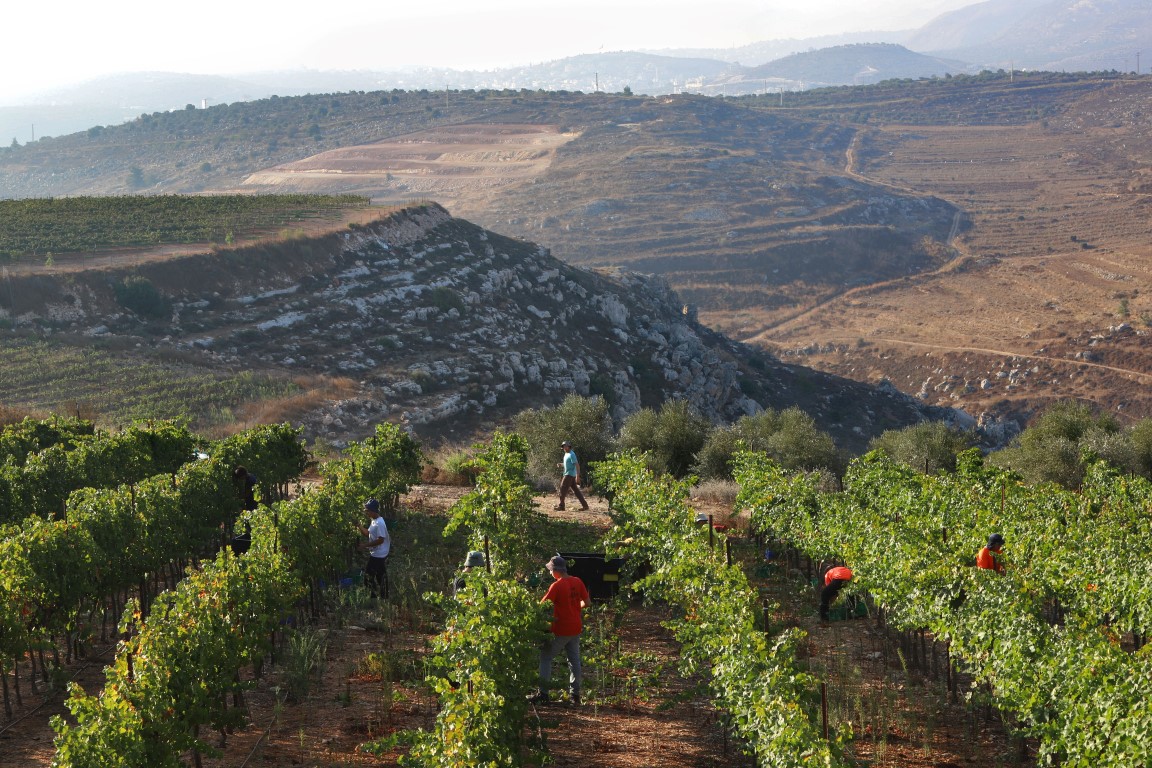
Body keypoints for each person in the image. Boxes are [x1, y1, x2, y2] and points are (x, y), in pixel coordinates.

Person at [533, 555, 590, 705]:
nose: (550, 573)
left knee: (546, 657)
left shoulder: (557, 586)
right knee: (574, 661)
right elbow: (587, 602)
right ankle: (575, 695)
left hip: (561, 628)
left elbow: (542, 606)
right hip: (575, 627)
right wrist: (575, 608)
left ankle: (543, 693)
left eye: (551, 570)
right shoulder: (577, 581)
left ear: (556, 570)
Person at [357, 498, 391, 599]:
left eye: (367, 511)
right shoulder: (374, 520)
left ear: (373, 511)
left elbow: (381, 540)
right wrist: (359, 526)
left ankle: (374, 597)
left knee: (368, 577)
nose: (366, 513)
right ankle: (384, 596)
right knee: (380, 575)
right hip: (379, 553)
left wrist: (364, 546)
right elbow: (368, 533)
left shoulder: (379, 523)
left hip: (379, 554)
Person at [554, 441, 589, 512]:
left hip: (569, 475)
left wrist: (577, 476)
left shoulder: (572, 454)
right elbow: (568, 464)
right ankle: (585, 506)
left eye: (565, 446)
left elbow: (577, 465)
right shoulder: (566, 454)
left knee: (562, 489)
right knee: (576, 491)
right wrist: (561, 464)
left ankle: (561, 506)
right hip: (570, 475)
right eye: (563, 446)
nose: (564, 447)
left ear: (569, 446)